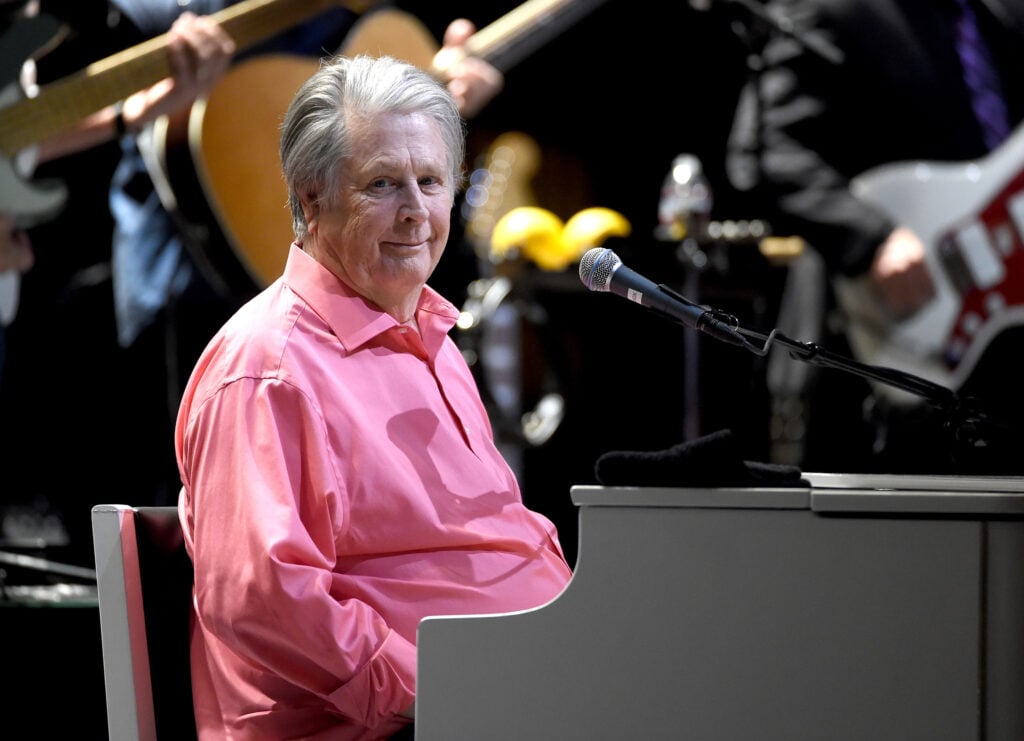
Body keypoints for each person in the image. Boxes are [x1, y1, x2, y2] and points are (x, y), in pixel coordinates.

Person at [175, 53, 571, 739]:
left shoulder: (433, 338)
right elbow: (263, 598)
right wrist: (439, 690)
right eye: (382, 183)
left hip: (518, 691)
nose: (416, 212)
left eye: (430, 181)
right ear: (309, 199)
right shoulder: (268, 367)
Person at [725, 0, 1024, 474]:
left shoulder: (1002, 17)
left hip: (1003, 354)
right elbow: (768, 152)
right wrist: (870, 238)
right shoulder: (837, 9)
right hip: (883, 348)